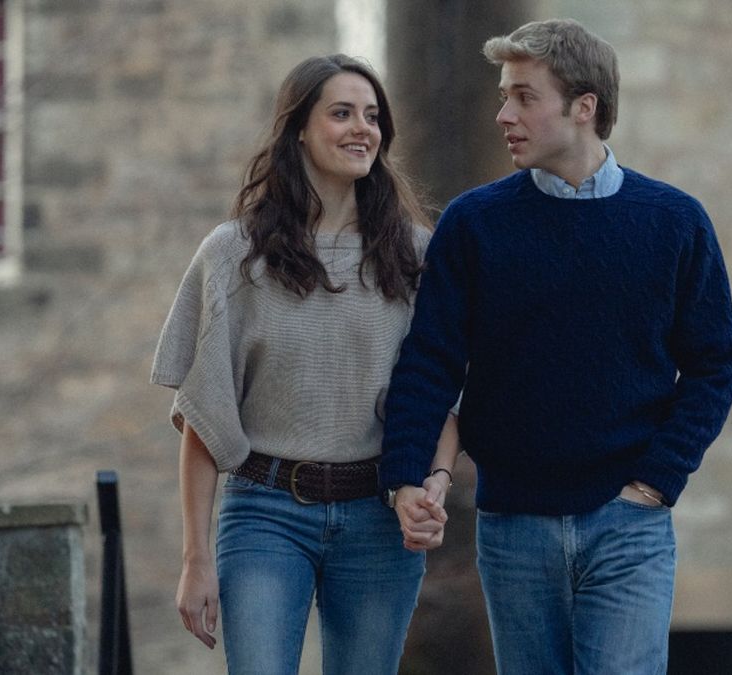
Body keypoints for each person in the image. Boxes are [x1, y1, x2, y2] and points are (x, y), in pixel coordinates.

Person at [379, 19, 732, 674]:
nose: (502, 115)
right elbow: (430, 361)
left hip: (628, 527)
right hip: (513, 528)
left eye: (523, 96)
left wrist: (658, 480)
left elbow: (716, 364)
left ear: (584, 108)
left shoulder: (674, 222)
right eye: (502, 95)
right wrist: (407, 473)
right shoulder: (474, 223)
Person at [151, 54, 457, 675]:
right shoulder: (234, 254)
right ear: (298, 130)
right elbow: (205, 415)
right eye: (341, 113)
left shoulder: (417, 255)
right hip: (264, 514)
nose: (360, 129)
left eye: (372, 117)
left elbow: (443, 398)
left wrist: (435, 484)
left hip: (378, 518)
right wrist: (195, 560)